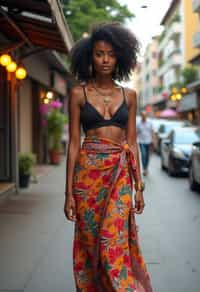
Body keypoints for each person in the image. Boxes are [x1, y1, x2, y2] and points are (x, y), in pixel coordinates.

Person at [64, 22, 153, 292]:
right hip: (87, 179)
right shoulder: (78, 94)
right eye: (100, 53)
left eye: (111, 54)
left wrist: (139, 187)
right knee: (91, 243)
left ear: (120, 58)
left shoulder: (130, 95)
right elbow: (73, 145)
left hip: (120, 175)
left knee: (112, 241)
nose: (105, 60)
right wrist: (68, 194)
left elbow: (133, 142)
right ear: (90, 55)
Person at [137, 111, 154, 176]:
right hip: (141, 142)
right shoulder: (138, 123)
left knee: (147, 156)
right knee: (143, 155)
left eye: (145, 115)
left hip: (148, 141)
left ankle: (146, 168)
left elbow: (152, 132)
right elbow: (137, 132)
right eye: (142, 115)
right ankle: (144, 169)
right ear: (141, 116)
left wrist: (153, 140)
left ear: (146, 116)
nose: (144, 116)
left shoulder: (150, 123)